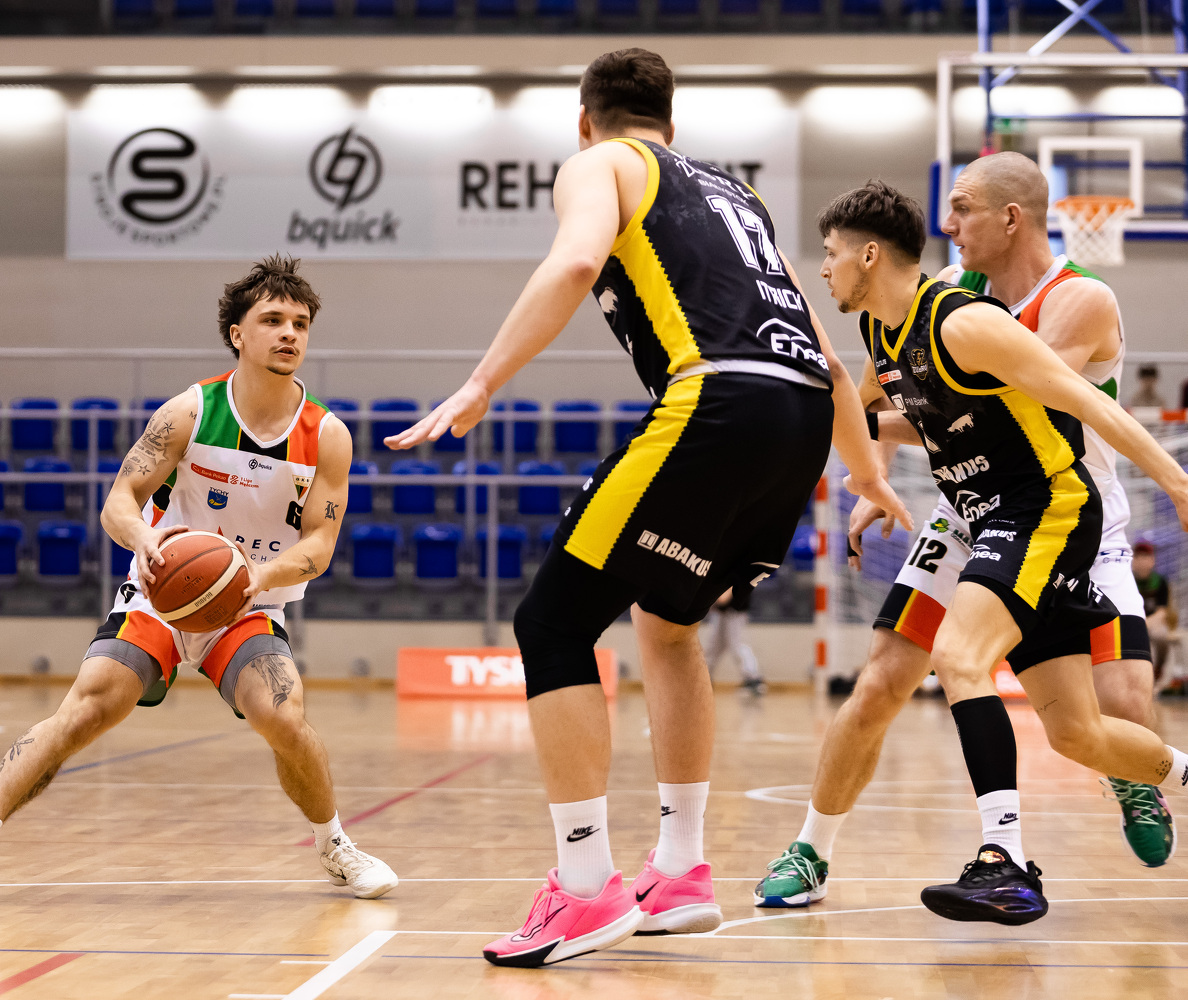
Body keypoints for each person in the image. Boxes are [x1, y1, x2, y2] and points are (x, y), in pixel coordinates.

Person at [387, 48, 910, 968]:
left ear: (584, 121)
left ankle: (584, 886)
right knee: (668, 626)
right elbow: (830, 363)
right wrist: (866, 476)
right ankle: (678, 873)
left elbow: (575, 260)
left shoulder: (602, 163)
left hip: (719, 399)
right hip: (799, 423)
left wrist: (481, 383)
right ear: (673, 123)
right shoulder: (740, 197)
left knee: (551, 623)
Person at [754, 153, 1176, 916]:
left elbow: (1072, 406)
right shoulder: (904, 312)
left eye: (963, 209)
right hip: (969, 510)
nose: (949, 225)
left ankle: (1007, 857)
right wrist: (872, 480)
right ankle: (812, 851)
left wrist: (1177, 485)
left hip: (1053, 505)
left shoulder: (1026, 308)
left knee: (1068, 691)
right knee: (909, 687)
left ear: (1010, 217)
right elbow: (890, 402)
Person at [0, 256, 398, 903]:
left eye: (300, 323)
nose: (290, 333)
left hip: (249, 603)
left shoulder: (327, 436)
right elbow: (119, 500)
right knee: (90, 705)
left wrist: (258, 575)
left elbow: (320, 543)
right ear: (237, 334)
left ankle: (335, 845)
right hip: (161, 593)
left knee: (284, 717)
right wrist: (145, 538)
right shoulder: (189, 412)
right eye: (273, 320)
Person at [702, 586, 764, 693]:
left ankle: (753, 679)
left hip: (734, 613)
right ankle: (703, 679)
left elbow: (723, 598)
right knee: (712, 649)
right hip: (720, 613)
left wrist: (708, 600)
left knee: (738, 646)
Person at [1134, 540, 1175, 679]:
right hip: (1133, 621)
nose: (1142, 561)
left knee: (1161, 635)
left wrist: (1146, 623)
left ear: (1152, 560)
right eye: (1138, 556)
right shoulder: (1128, 581)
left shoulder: (1160, 581)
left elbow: (1162, 612)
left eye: (1145, 556)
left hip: (1153, 622)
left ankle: (1158, 669)